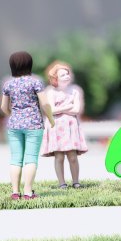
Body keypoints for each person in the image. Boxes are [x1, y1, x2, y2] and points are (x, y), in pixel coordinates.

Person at [0, 51, 55, 200]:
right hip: (34, 124)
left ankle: (15, 192)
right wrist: (50, 118)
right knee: (30, 158)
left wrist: (14, 116)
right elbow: (45, 103)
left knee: (16, 158)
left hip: (14, 125)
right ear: (30, 64)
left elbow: (4, 107)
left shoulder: (8, 84)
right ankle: (28, 192)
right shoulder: (35, 82)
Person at [41, 61, 88, 189]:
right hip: (56, 128)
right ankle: (62, 182)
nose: (67, 76)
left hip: (71, 127)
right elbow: (51, 111)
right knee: (59, 157)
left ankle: (76, 181)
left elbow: (77, 110)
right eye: (63, 75)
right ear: (55, 78)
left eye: (67, 74)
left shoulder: (75, 91)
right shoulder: (50, 91)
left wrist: (60, 108)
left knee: (72, 156)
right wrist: (68, 106)